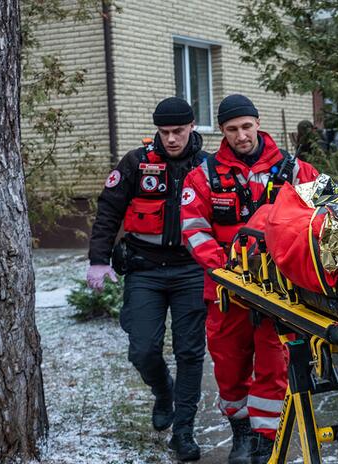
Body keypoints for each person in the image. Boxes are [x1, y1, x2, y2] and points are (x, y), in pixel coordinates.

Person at [180, 94, 319, 464]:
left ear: (257, 123)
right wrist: (226, 269)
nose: (241, 135)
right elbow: (194, 229)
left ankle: (262, 441)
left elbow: (320, 218)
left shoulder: (295, 170)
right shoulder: (204, 176)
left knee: (274, 364)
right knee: (229, 365)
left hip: (279, 290)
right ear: (222, 131)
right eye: (231, 129)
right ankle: (240, 428)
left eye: (246, 126)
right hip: (227, 289)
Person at [87, 97, 209, 461]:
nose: (171, 139)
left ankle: (183, 432)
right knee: (142, 348)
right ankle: (162, 390)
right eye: (164, 132)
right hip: (145, 268)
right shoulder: (137, 163)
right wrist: (98, 259)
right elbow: (109, 209)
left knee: (190, 352)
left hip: (190, 269)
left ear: (192, 127)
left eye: (178, 131)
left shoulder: (208, 166)